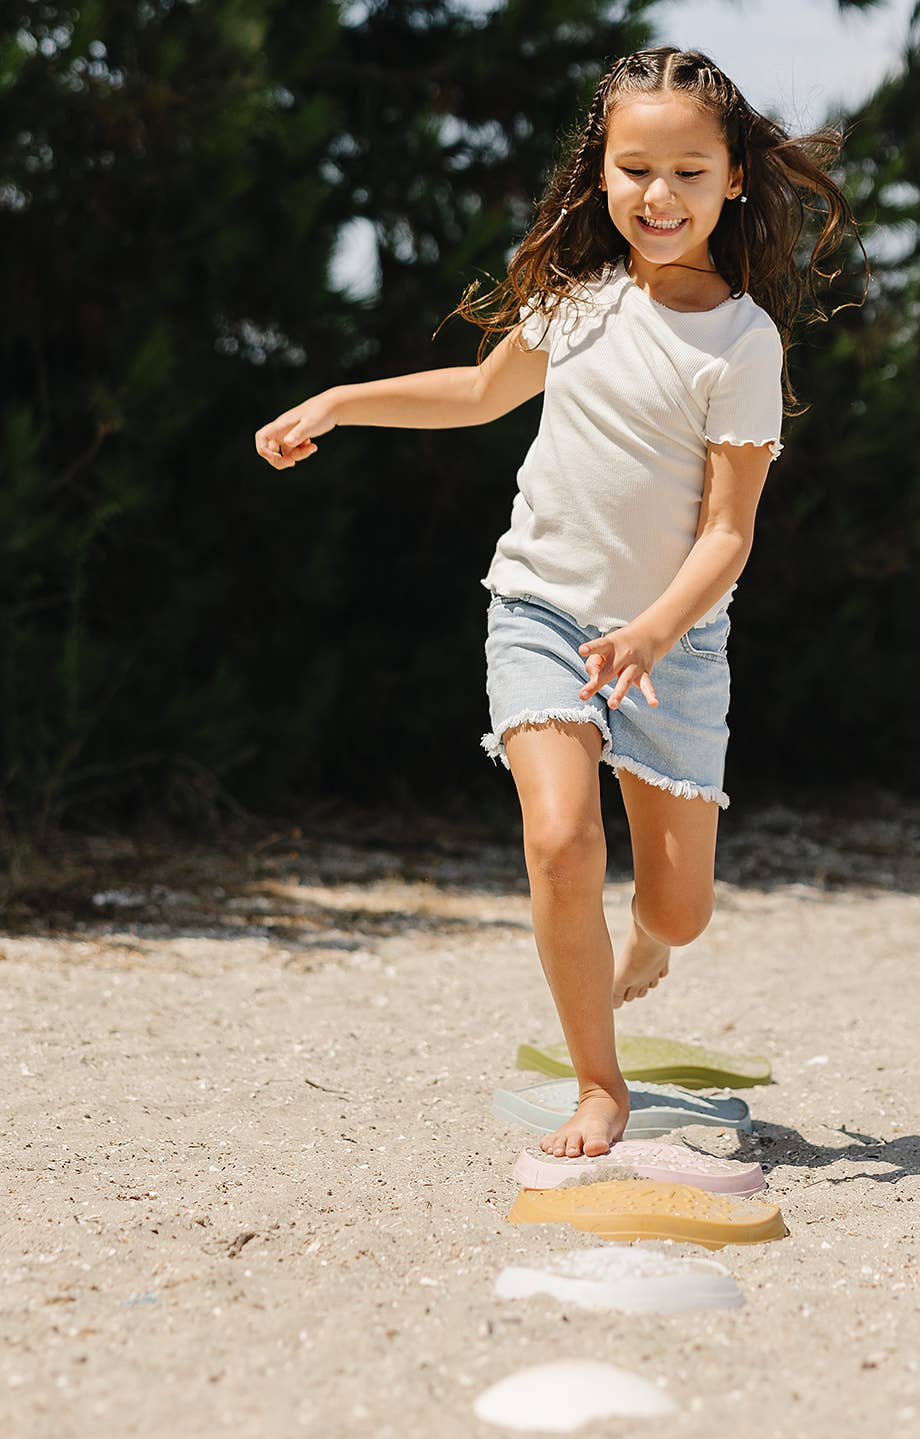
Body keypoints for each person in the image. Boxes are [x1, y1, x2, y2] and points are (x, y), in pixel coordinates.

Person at [254, 46, 867, 1159]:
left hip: (669, 644)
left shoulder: (739, 342)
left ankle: (650, 940)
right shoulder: (575, 302)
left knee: (678, 908)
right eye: (634, 169)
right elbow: (481, 392)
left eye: (687, 171)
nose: (658, 195)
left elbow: (727, 533)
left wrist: (652, 629)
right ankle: (600, 1085)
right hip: (539, 611)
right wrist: (342, 399)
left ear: (733, 179)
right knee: (558, 837)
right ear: (599, 176)